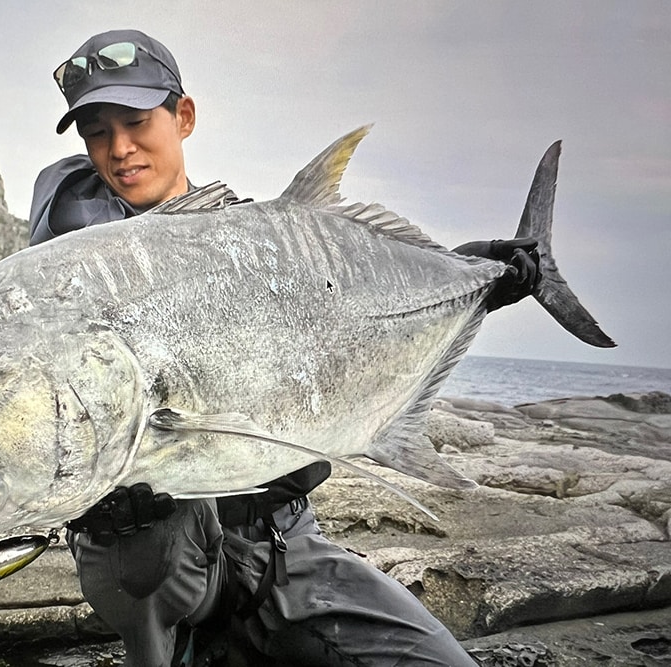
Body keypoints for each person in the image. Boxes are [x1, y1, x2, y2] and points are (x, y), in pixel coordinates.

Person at [29, 29, 539, 667]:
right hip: (162, 572)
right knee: (138, 554)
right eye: (97, 133)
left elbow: (343, 320)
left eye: (136, 122)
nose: (120, 149)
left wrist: (471, 277)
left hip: (284, 542)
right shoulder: (74, 265)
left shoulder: (259, 243)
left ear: (184, 117)